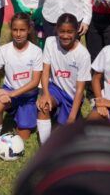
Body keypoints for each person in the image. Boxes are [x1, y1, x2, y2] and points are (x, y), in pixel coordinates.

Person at [0, 12, 43, 149]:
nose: (18, 34)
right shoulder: (4, 50)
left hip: (27, 97)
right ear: (11, 29)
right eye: (15, 30)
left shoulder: (36, 51)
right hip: (9, 91)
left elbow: (35, 82)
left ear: (29, 30)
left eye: (22, 30)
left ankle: (23, 113)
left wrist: (12, 94)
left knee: (22, 136)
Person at [36, 13, 91, 144]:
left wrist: (72, 117)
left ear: (76, 31)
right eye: (62, 31)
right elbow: (45, 71)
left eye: (69, 32)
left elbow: (79, 90)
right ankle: (45, 148)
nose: (65, 36)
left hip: (72, 96)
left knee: (65, 138)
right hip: (55, 88)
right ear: (57, 31)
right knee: (43, 106)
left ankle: (67, 119)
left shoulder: (83, 54)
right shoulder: (50, 42)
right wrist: (45, 94)